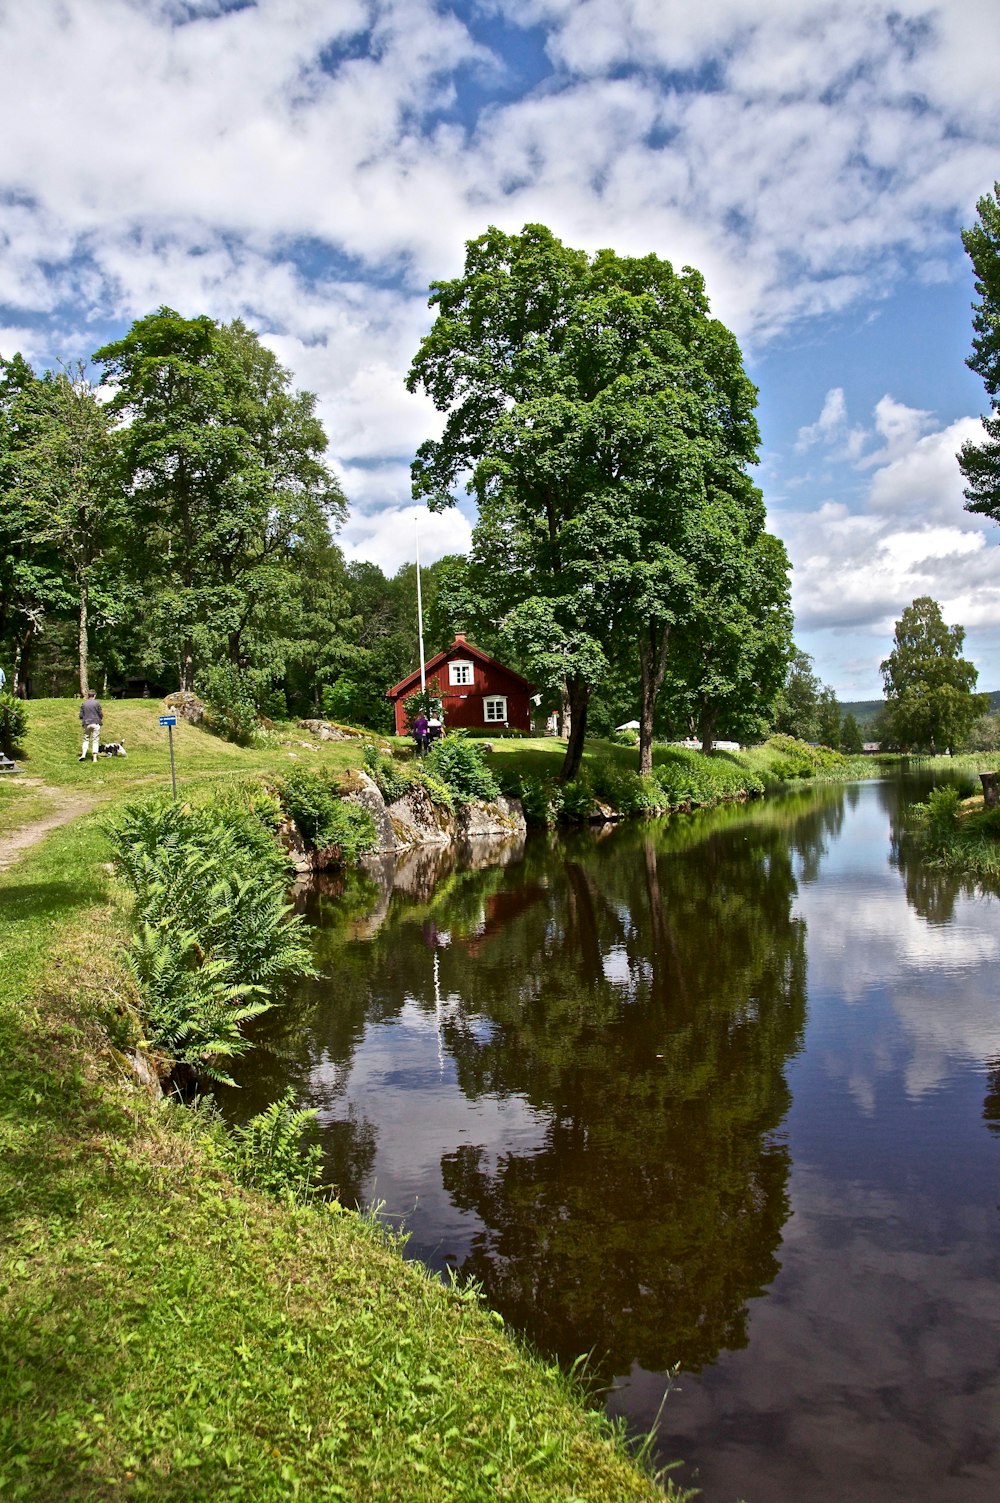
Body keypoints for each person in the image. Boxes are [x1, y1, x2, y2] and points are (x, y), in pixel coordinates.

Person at [79, 688, 103, 762]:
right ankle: (95, 758)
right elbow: (100, 714)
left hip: (87, 723)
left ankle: (83, 754)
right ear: (94, 695)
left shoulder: (84, 704)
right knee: (95, 740)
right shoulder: (97, 703)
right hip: (95, 723)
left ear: (88, 695)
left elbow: (81, 715)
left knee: (86, 739)